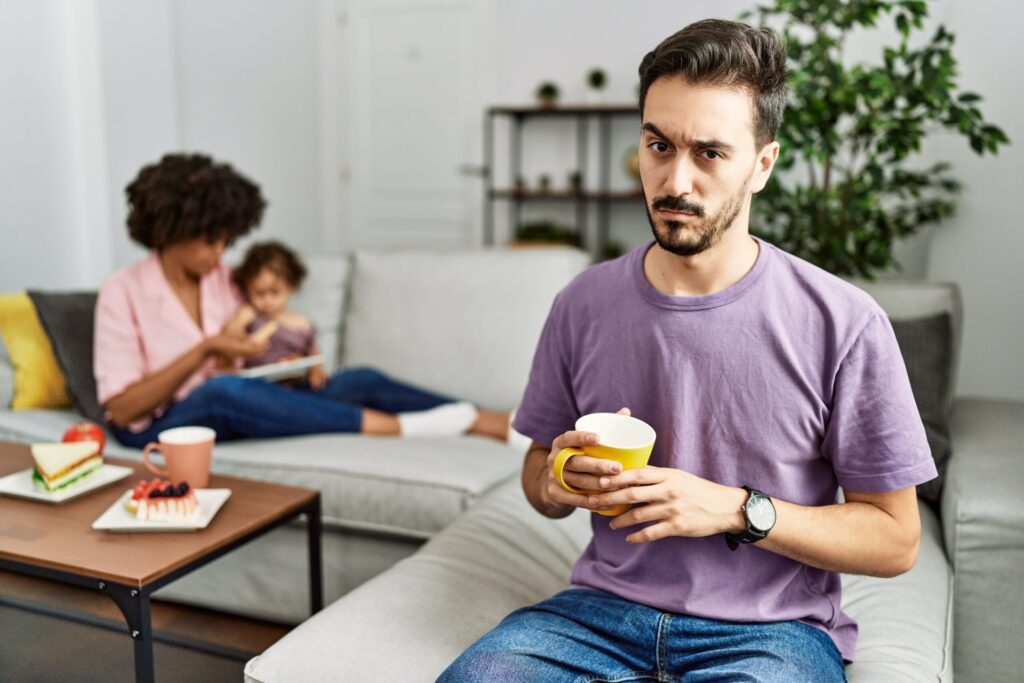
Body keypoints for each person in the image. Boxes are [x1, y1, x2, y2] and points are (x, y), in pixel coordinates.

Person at [439, 19, 936, 682]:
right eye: (657, 144)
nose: (675, 180)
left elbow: (896, 538)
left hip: (771, 633)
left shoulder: (844, 322)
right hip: (598, 615)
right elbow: (538, 473)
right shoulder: (580, 304)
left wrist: (735, 508)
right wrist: (559, 479)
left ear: (762, 164)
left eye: (709, 153)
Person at [95, 153, 514, 447]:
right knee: (224, 391)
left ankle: (487, 419)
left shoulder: (224, 280)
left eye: (227, 240)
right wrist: (206, 348)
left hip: (244, 400)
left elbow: (257, 343)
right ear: (168, 230)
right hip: (162, 426)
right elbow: (123, 408)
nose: (220, 252)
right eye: (209, 241)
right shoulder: (123, 291)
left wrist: (286, 367)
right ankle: (401, 428)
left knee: (357, 379)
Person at [226, 240, 328, 389]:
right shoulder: (250, 315)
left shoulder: (303, 323)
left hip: (297, 383)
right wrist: (239, 323)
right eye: (259, 293)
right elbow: (229, 338)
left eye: (275, 293)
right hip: (259, 385)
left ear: (291, 287)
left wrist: (316, 370)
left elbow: (314, 353)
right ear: (247, 288)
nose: (267, 301)